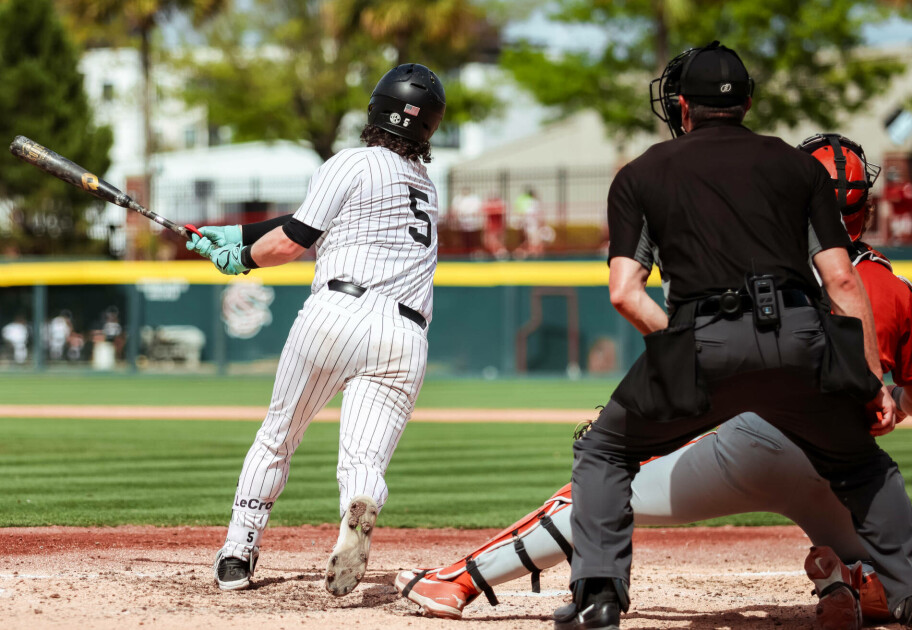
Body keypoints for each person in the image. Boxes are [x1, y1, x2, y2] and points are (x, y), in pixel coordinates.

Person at [395, 133, 905, 627]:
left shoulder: (760, 262)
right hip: (841, 461)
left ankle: (460, 581)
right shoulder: (894, 286)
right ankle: (853, 581)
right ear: (867, 208)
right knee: (892, 550)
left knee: (601, 478)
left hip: (752, 446)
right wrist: (885, 399)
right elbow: (896, 391)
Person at [551, 41, 912, 630]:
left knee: (604, 451)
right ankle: (908, 590)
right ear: (747, 103)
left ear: (683, 107)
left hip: (704, 336)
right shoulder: (798, 167)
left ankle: (599, 596)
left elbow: (624, 293)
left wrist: (683, 345)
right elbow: (843, 281)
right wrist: (870, 381)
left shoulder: (641, 173)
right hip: (800, 338)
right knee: (863, 465)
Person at [185, 63, 445, 596]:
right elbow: (311, 219)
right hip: (404, 337)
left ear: (375, 109)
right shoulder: (425, 186)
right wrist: (236, 233)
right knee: (363, 461)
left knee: (278, 436)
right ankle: (359, 503)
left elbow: (293, 240)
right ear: (429, 126)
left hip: (336, 315)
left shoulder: (350, 161)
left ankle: (238, 550)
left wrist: (242, 259)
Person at [449, 188, 484, 257]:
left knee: (474, 240)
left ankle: (474, 253)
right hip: (462, 225)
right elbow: (454, 210)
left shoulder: (474, 199)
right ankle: (465, 254)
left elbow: (478, 210)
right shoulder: (458, 199)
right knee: (464, 240)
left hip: (473, 225)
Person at [513, 187, 544, 258]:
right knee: (534, 242)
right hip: (532, 226)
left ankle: (531, 253)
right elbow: (538, 215)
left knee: (533, 241)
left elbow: (523, 214)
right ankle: (533, 254)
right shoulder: (534, 203)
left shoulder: (528, 203)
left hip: (530, 226)